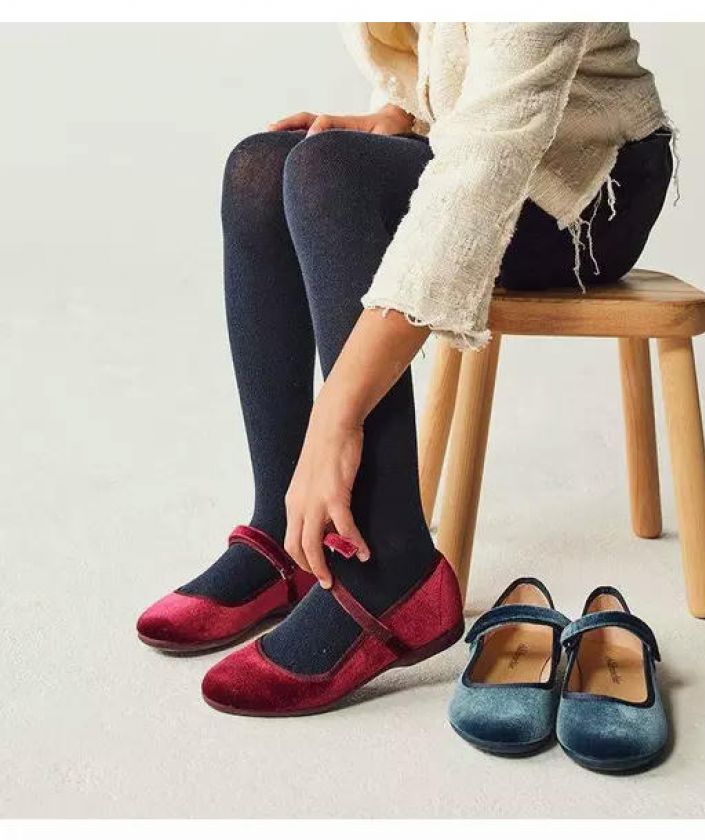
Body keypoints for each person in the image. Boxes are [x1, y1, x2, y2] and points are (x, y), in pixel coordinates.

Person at [138, 23, 674, 715]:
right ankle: (285, 537)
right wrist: (398, 116)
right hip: (483, 138)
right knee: (262, 167)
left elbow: (483, 172)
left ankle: (391, 567)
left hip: (586, 186)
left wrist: (336, 417)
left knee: (332, 173)